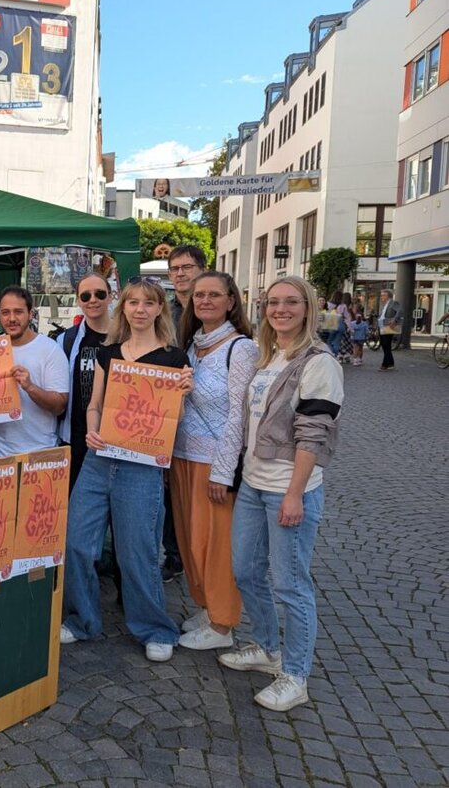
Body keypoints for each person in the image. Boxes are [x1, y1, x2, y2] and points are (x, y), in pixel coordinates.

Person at [220, 276, 343, 712]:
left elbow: (314, 435)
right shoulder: (268, 356)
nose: (281, 309)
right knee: (244, 571)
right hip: (254, 482)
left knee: (291, 584)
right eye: (273, 302)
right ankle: (268, 648)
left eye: (291, 302)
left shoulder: (318, 361)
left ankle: (295, 675)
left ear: (308, 308)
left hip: (290, 489)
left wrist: (294, 494)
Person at [61, 279, 192, 663]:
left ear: (158, 310)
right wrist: (93, 429)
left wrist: (182, 393)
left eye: (147, 303)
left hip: (141, 467)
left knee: (137, 553)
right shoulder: (110, 353)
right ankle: (83, 620)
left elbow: (175, 419)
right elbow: (94, 404)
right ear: (124, 308)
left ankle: (155, 628)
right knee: (76, 543)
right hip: (100, 461)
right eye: (132, 302)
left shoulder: (174, 358)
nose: (139, 309)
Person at [170, 272, 257, 651]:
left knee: (217, 545)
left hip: (215, 461)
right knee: (191, 541)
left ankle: (223, 625)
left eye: (214, 295)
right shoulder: (191, 346)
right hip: (183, 455)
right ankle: (206, 607)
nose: (205, 300)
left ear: (231, 301)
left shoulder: (241, 349)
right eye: (199, 295)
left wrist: (224, 472)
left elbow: (240, 415)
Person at [0, 286, 69, 459]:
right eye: (5, 312)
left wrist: (30, 387)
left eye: (18, 312)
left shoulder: (50, 350)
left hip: (38, 452)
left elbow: (59, 406)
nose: (12, 318)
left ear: (30, 314)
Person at [163, 245, 206, 581]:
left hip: (205, 412)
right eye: (174, 268)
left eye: (186, 267)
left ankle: (199, 558)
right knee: (169, 487)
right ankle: (175, 556)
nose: (179, 274)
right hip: (168, 407)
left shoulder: (212, 307)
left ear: (201, 269)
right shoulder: (165, 310)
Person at [57, 272, 113, 490]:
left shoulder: (128, 338)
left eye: (99, 294)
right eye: (86, 296)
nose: (93, 300)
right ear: (78, 300)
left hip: (118, 439)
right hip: (75, 440)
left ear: (110, 296)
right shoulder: (66, 340)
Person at [376, 289, 402, 371]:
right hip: (382, 325)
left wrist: (395, 319)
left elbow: (400, 311)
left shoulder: (393, 303)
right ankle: (391, 363)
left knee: (386, 345)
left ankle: (385, 364)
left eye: (383, 295)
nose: (381, 297)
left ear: (388, 296)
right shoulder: (384, 305)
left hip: (389, 325)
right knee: (384, 345)